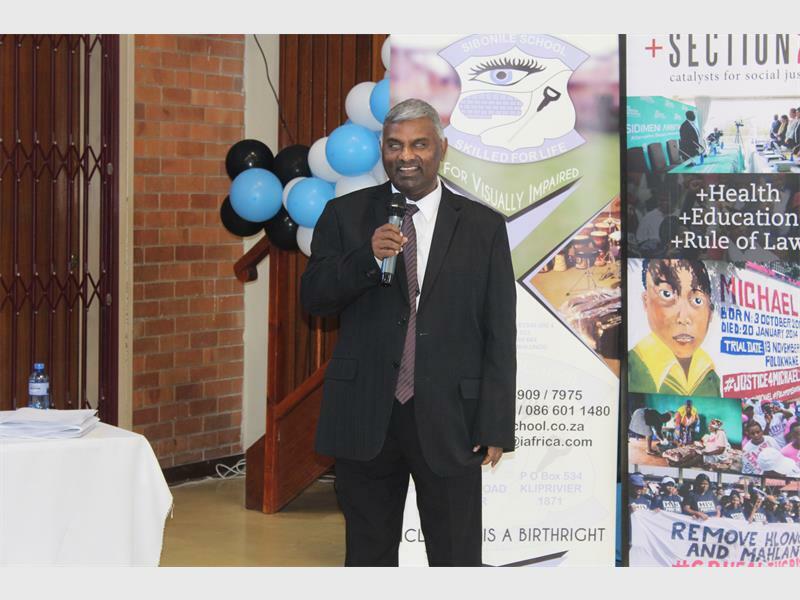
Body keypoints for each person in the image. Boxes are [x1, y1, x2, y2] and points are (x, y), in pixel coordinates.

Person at [300, 98, 517, 567]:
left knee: (456, 557)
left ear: (442, 148)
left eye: (419, 144)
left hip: (452, 418)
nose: (406, 156)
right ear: (382, 149)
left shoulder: (482, 227)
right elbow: (314, 299)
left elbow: (499, 331)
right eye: (395, 145)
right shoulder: (344, 215)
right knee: (369, 555)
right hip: (365, 415)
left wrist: (496, 422)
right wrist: (365, 258)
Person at [628, 259, 720, 397]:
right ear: (646, 301)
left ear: (710, 313)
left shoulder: (710, 374)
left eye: (697, 300)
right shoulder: (632, 367)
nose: (683, 318)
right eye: (667, 294)